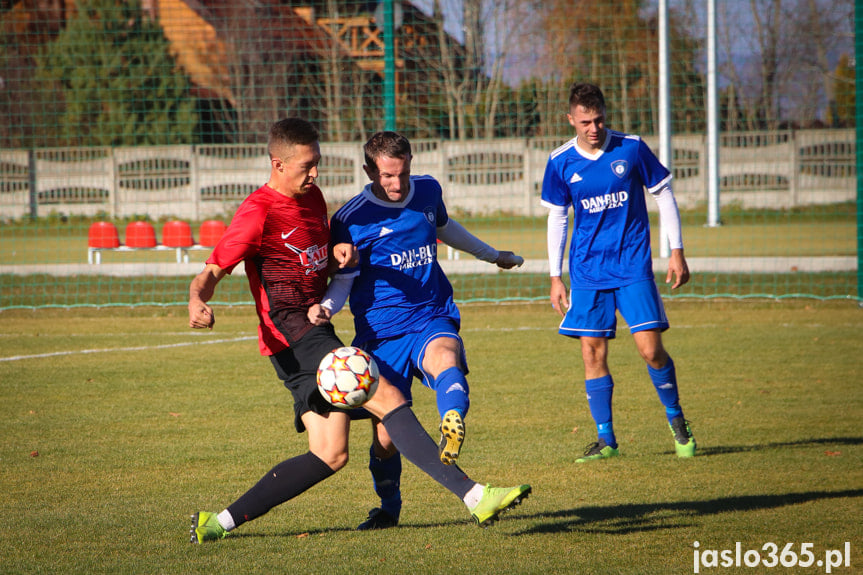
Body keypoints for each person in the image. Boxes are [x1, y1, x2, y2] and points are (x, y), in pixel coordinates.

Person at [188, 118, 530, 543]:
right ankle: (475, 495)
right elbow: (213, 268)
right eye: (307, 165)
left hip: (309, 329)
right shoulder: (258, 211)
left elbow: (318, 260)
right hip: (293, 330)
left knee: (329, 455)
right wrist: (197, 298)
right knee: (385, 394)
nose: (315, 174)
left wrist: (337, 257)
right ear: (278, 163)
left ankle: (216, 523)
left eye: (318, 163)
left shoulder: (311, 199)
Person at [320, 131, 525, 530]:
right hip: (380, 335)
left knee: (446, 357)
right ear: (369, 172)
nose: (398, 184)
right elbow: (344, 278)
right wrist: (326, 308)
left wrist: (493, 255)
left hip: (431, 313)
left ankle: (452, 421)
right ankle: (388, 508)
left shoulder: (428, 190)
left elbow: (446, 228)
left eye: (404, 173)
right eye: (388, 177)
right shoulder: (350, 219)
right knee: (385, 440)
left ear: (412, 163)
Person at [541, 82, 696, 463]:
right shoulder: (560, 161)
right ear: (571, 120)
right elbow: (558, 217)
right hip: (588, 273)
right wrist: (555, 275)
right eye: (585, 122)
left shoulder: (631, 147)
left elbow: (664, 194)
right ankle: (606, 439)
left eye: (599, 120)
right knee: (592, 353)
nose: (593, 128)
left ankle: (677, 420)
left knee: (651, 350)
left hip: (632, 267)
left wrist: (676, 252)